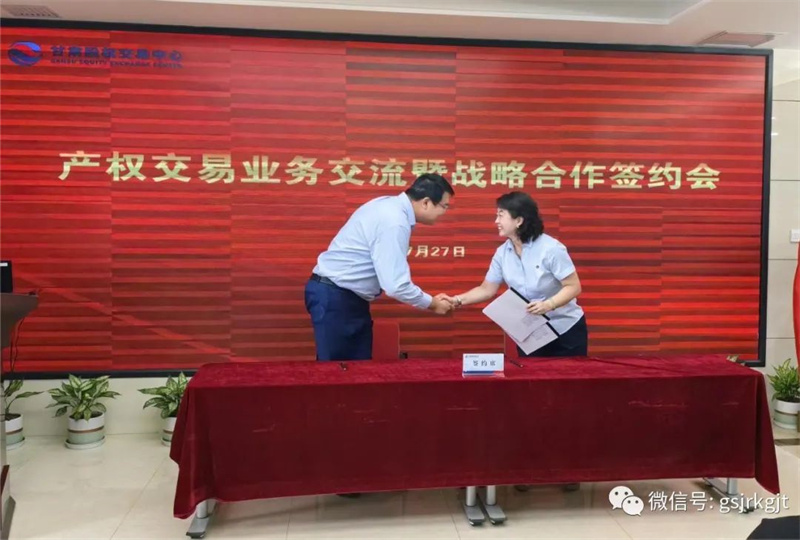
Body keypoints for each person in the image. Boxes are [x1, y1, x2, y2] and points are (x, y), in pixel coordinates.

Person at [305, 173, 455, 362]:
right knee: (339, 372)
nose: (444, 212)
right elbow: (395, 286)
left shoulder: (388, 206)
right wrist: (432, 304)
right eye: (444, 206)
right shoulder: (394, 221)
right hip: (337, 298)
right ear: (426, 202)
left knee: (353, 370)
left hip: (342, 297)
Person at [442, 190, 587, 357]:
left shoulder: (551, 249)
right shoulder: (502, 253)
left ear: (519, 220)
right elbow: (486, 289)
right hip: (530, 332)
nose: (496, 221)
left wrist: (549, 304)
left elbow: (573, 287)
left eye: (501, 215)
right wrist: (457, 300)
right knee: (531, 374)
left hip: (565, 329)